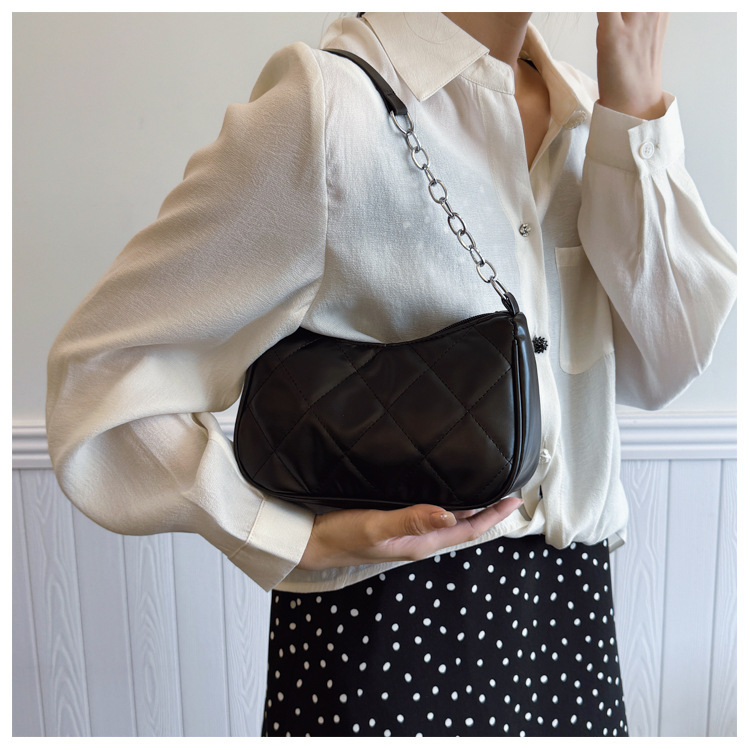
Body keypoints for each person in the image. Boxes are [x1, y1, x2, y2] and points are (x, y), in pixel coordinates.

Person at [46, 12, 736, 738]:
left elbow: (663, 367)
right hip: (389, 623)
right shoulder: (329, 110)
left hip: (570, 619)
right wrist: (290, 539)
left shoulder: (594, 119)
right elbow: (100, 372)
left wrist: (636, 114)